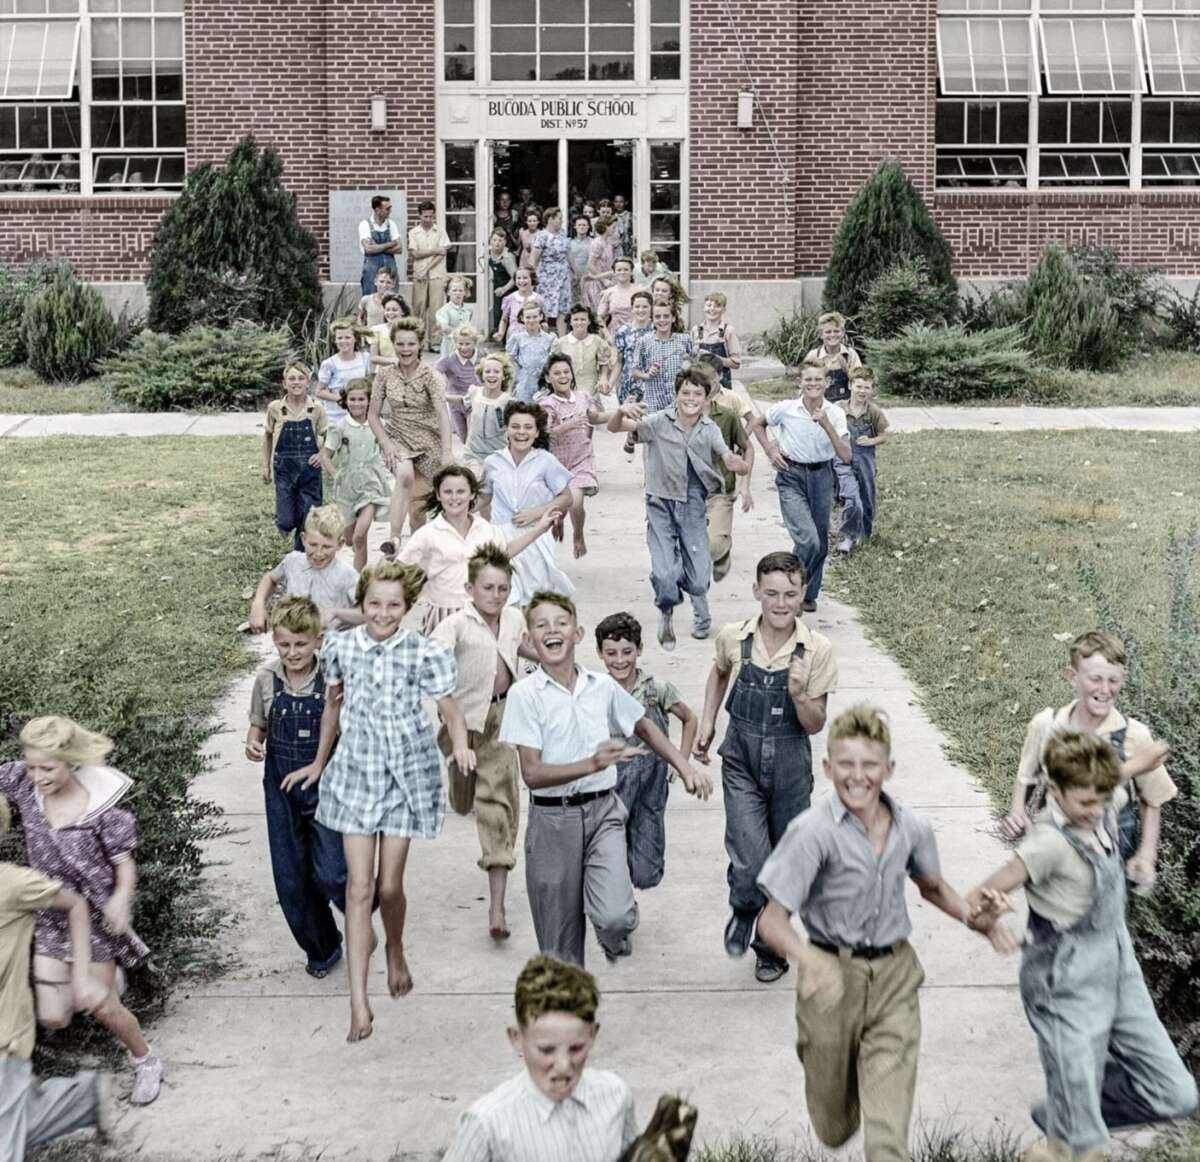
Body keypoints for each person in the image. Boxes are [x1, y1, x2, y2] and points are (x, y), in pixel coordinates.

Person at [755, 705, 1014, 1162]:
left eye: (870, 765)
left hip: (895, 978)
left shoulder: (911, 827)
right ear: (828, 767)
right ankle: (842, 1096)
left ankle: (879, 1113)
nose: (858, 776)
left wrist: (977, 919)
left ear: (888, 768)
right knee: (833, 1127)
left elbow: (933, 887)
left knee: (887, 1140)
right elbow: (771, 921)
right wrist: (808, 959)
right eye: (847, 765)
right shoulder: (811, 832)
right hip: (830, 981)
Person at [968, 730, 1197, 1162]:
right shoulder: (1048, 843)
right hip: (1065, 984)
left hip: (1118, 968)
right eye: (1085, 803)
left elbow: (1109, 784)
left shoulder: (1099, 797)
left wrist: (1142, 763)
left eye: (1102, 798)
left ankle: (1067, 1115)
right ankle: (1074, 1126)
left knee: (1175, 1093)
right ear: (1055, 790)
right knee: (1088, 1147)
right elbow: (978, 898)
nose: (1096, 811)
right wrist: (989, 921)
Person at [286, 561, 471, 1042]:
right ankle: (359, 1005)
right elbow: (332, 707)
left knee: (390, 888)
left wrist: (462, 744)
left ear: (407, 608)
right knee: (358, 890)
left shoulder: (422, 652)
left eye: (393, 605)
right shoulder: (342, 648)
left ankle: (395, 947)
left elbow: (450, 708)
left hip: (407, 775)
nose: (383, 613)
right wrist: (319, 763)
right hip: (355, 774)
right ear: (361, 604)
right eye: (374, 604)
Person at [499, 592, 710, 967]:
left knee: (616, 916)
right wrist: (591, 763)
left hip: (603, 814)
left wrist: (684, 766)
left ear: (577, 634)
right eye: (541, 625)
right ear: (529, 641)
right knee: (559, 949)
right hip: (553, 822)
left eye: (560, 623)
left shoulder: (602, 686)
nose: (552, 630)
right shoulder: (524, 695)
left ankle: (612, 937)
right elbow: (531, 773)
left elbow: (643, 726)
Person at [1, 718, 165, 1105]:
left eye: (48, 768)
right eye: (31, 766)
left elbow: (124, 864)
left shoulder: (101, 810)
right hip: (49, 912)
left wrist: (123, 898)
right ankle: (103, 985)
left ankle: (145, 1060)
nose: (38, 776)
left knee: (101, 1005)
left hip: (93, 917)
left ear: (71, 762)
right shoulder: (24, 785)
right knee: (54, 1015)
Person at [694, 550, 839, 982]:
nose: (780, 603)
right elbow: (719, 674)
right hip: (741, 762)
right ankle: (743, 907)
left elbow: (815, 724)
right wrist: (707, 722)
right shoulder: (734, 638)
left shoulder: (816, 650)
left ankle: (769, 946)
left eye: (790, 594)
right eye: (771, 593)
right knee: (751, 858)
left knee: (785, 863)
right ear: (756, 591)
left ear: (802, 595)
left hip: (792, 766)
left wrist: (798, 696)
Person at [1002, 631, 1175, 882]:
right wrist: (1017, 811)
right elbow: (1025, 777)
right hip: (1053, 852)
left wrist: (1146, 855)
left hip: (1108, 860)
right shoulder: (1047, 725)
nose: (1105, 690)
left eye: (1114, 680)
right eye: (1095, 679)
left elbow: (1153, 800)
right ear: (1073, 677)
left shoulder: (1134, 736)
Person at [0, 794, 112, 1160]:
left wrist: (80, 975)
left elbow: (75, 904)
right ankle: (82, 1099)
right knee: (13, 1129)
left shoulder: (14, 885)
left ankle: (79, 1100)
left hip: (5, 1040)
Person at [442, 955, 637, 1162]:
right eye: (546, 1050)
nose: (563, 1066)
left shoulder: (616, 1096)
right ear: (516, 1038)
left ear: (593, 1034)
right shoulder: (487, 1123)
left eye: (576, 1048)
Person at [607, 367, 749, 649]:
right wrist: (620, 411)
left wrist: (737, 464)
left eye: (697, 393)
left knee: (697, 579)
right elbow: (615, 428)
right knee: (665, 573)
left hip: (694, 505)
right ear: (676, 394)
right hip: (659, 503)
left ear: (706, 397)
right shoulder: (660, 421)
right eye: (686, 392)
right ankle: (666, 608)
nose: (691, 398)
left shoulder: (709, 430)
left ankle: (697, 608)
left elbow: (727, 455)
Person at [244, 597, 348, 979]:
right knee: (291, 878)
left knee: (333, 871)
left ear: (318, 641)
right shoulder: (266, 679)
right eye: (284, 644)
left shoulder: (333, 681)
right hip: (282, 791)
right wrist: (254, 741)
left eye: (301, 644)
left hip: (327, 787)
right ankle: (323, 947)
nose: (292, 652)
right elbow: (259, 724)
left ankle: (355, 909)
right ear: (275, 641)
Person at [431, 545, 527, 941]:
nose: (496, 595)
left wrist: (562, 654)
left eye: (503, 588)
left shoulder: (515, 618)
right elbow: (435, 677)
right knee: (464, 796)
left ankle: (497, 907)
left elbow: (527, 647)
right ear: (469, 589)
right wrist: (457, 738)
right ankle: (460, 785)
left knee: (498, 807)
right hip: (461, 724)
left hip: (502, 722)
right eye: (488, 588)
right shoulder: (454, 626)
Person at [594, 613, 697, 891]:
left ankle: (627, 885)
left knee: (646, 873)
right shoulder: (596, 692)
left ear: (639, 649)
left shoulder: (656, 689)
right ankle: (618, 903)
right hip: (610, 787)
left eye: (627, 652)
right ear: (600, 654)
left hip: (650, 788)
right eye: (611, 653)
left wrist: (681, 762)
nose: (620, 660)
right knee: (609, 853)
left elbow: (689, 719)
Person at [396, 464, 559, 630]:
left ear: (472, 493)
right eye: (447, 492)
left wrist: (540, 528)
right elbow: (400, 570)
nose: (454, 497)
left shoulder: (485, 529)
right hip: (442, 615)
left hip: (480, 613)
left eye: (461, 491)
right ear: (438, 495)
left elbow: (505, 552)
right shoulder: (427, 534)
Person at [747, 359, 851, 612]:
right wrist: (770, 449)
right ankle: (788, 589)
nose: (813, 384)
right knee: (808, 540)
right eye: (808, 379)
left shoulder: (835, 413)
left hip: (822, 476)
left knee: (821, 543)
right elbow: (757, 424)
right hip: (790, 475)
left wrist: (826, 424)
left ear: (827, 383)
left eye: (818, 379)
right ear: (800, 382)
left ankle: (807, 594)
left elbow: (846, 456)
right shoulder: (786, 408)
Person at [368, 317, 453, 556]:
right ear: (393, 344)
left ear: (420, 345)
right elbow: (373, 416)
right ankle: (393, 540)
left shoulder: (430, 376)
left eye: (411, 344)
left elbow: (442, 415)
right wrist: (385, 442)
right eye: (400, 344)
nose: (405, 349)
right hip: (398, 437)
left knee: (418, 509)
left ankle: (417, 555)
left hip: (428, 441)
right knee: (403, 475)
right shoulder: (384, 375)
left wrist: (447, 452)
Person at [479, 401, 575, 606]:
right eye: (515, 426)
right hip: (502, 535)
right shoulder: (492, 462)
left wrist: (537, 512)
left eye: (528, 427)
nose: (521, 432)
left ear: (537, 432)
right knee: (507, 596)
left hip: (536, 535)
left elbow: (567, 498)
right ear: (506, 429)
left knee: (534, 596)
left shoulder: (546, 461)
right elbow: (484, 497)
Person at [248, 504, 361, 633]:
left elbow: (366, 610)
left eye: (326, 547)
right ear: (303, 539)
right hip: (296, 642)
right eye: (313, 544)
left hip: (332, 644)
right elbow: (270, 578)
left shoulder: (347, 575)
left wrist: (337, 614)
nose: (318, 553)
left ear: (340, 544)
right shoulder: (292, 562)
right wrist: (258, 603)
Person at [318, 379, 392, 571]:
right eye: (352, 399)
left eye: (361, 399)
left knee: (361, 536)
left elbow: (388, 449)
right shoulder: (339, 427)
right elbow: (325, 455)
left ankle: (358, 581)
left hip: (372, 484)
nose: (357, 403)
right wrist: (335, 474)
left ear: (369, 401)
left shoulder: (379, 425)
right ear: (345, 401)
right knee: (351, 539)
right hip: (347, 487)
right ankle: (354, 547)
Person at [540, 353, 608, 560]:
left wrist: (621, 413)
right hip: (556, 464)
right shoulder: (547, 404)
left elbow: (594, 418)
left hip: (581, 459)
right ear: (548, 378)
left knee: (576, 502)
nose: (562, 376)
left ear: (572, 374)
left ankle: (578, 534)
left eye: (566, 372)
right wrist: (567, 425)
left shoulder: (583, 397)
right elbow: (543, 434)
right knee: (561, 505)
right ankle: (558, 520)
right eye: (557, 373)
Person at [262, 361, 327, 551]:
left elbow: (328, 436)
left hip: (310, 470)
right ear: (284, 383)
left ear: (308, 382)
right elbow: (267, 436)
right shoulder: (275, 408)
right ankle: (285, 525)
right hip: (284, 470)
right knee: (286, 521)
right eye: (291, 378)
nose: (296, 382)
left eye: (301, 378)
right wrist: (264, 466)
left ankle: (299, 555)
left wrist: (322, 454)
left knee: (308, 518)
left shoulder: (316, 408)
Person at [700, 358, 754, 583]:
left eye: (710, 382)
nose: (706, 387)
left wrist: (745, 485)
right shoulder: (677, 415)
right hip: (687, 490)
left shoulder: (727, 414)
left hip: (721, 487)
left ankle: (721, 550)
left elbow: (747, 448)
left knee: (714, 545)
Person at [838, 366, 889, 552]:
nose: (862, 391)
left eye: (867, 387)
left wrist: (871, 440)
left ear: (872, 389)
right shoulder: (838, 409)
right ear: (850, 385)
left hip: (866, 461)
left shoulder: (874, 412)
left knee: (867, 499)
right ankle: (849, 536)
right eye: (859, 386)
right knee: (852, 498)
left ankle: (865, 534)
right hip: (843, 462)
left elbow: (884, 436)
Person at [631, 302, 694, 415]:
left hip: (678, 402)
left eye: (666, 316)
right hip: (654, 403)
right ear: (652, 319)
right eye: (657, 317)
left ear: (673, 318)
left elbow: (694, 365)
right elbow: (634, 371)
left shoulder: (684, 339)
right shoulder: (644, 341)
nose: (662, 320)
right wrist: (647, 374)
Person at [408, 200, 451, 353]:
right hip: (419, 275)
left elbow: (443, 253)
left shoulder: (440, 231)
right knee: (418, 309)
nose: (428, 220)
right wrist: (435, 250)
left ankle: (435, 342)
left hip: (436, 274)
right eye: (425, 216)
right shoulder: (413, 232)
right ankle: (418, 341)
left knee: (436, 310)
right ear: (420, 215)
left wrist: (428, 267)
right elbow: (415, 253)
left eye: (431, 217)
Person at [463, 353, 514, 477]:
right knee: (477, 480)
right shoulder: (474, 393)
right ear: (482, 375)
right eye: (487, 371)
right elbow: (466, 410)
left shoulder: (508, 402)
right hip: (473, 455)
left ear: (503, 376)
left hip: (498, 455)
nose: (491, 375)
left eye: (496, 371)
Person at [317, 319, 372, 423]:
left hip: (360, 414)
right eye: (340, 338)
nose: (343, 341)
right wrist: (342, 399)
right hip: (337, 415)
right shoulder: (329, 364)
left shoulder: (365, 358)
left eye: (347, 337)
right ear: (335, 340)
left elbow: (369, 384)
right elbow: (319, 391)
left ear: (355, 339)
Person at [552, 304, 613, 397]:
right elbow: (553, 367)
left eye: (583, 319)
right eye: (576, 319)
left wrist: (603, 377)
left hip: (591, 391)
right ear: (570, 322)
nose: (579, 323)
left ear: (589, 321)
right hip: (568, 391)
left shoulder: (597, 341)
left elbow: (603, 362)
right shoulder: (560, 343)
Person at [804, 311, 862, 404]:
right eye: (828, 332)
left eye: (836, 331)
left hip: (846, 405)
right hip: (821, 405)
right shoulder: (814, 355)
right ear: (821, 334)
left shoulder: (850, 354)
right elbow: (805, 384)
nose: (832, 335)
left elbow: (860, 383)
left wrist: (846, 369)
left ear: (842, 333)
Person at [436, 322, 480, 443]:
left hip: (475, 401)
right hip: (456, 401)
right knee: (463, 434)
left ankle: (474, 457)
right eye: (460, 343)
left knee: (474, 434)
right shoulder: (449, 359)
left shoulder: (482, 356)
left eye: (467, 344)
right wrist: (441, 384)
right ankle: (467, 457)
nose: (463, 347)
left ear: (475, 343)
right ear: (455, 343)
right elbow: (434, 373)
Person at [506, 300, 555, 405]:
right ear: (522, 318)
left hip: (543, 382)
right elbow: (511, 361)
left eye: (535, 317)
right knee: (524, 410)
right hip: (524, 381)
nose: (531, 320)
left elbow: (552, 363)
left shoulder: (549, 339)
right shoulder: (517, 338)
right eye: (528, 317)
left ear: (541, 317)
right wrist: (514, 382)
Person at [532, 208, 572, 335]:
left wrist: (575, 271)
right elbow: (534, 259)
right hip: (548, 277)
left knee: (563, 308)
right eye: (559, 218)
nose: (561, 221)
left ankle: (562, 338)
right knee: (546, 308)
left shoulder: (562, 233)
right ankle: (543, 336)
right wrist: (532, 278)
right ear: (550, 219)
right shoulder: (542, 236)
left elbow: (568, 254)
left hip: (563, 275)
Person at [690, 293, 741, 391]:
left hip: (721, 384)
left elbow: (736, 363)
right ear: (704, 308)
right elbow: (690, 358)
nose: (712, 309)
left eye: (717, 306)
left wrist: (714, 358)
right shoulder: (696, 330)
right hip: (700, 382)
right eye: (709, 305)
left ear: (724, 310)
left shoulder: (728, 331)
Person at [611, 290, 654, 404]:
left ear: (651, 308)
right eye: (637, 306)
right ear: (632, 309)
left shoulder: (657, 330)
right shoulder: (623, 331)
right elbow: (620, 362)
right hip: (629, 385)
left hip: (652, 385)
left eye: (645, 306)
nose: (641, 310)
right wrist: (610, 383)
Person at [358, 194, 401, 297]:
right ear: (377, 210)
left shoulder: (391, 224)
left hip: (390, 270)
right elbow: (368, 249)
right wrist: (390, 244)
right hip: (372, 271)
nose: (390, 211)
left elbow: (399, 248)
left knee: (392, 298)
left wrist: (377, 247)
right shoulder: (365, 224)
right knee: (370, 298)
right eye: (387, 209)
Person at [495, 265, 543, 345]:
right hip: (514, 336)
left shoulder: (539, 299)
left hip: (533, 337)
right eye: (518, 278)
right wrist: (500, 333)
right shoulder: (510, 299)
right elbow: (504, 320)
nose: (521, 281)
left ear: (532, 279)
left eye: (525, 278)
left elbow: (543, 320)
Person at [486, 228, 517, 339]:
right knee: (496, 312)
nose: (497, 243)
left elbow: (515, 277)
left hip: (506, 288)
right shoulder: (487, 254)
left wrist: (504, 289)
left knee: (505, 314)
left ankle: (505, 339)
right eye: (494, 240)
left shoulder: (507, 257)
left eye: (500, 240)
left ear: (504, 242)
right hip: (494, 287)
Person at [367, 293, 411, 370]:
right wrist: (394, 361)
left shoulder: (410, 330)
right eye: (387, 310)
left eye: (394, 310)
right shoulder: (377, 330)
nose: (390, 313)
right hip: (384, 371)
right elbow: (373, 357)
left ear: (403, 312)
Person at [435, 275, 474, 359]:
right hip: (450, 345)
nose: (457, 293)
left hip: (464, 346)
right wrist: (459, 334)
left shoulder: (468, 310)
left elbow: (468, 325)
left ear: (465, 292)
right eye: (454, 290)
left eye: (460, 290)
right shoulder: (445, 310)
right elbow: (444, 327)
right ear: (448, 292)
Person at [597, 256, 638, 335]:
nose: (622, 272)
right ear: (614, 272)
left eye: (626, 269)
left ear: (631, 271)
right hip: (614, 334)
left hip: (636, 334)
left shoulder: (639, 291)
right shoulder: (608, 293)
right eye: (619, 270)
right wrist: (607, 335)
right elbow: (600, 317)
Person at [581, 217, 614, 316]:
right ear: (606, 227)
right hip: (597, 282)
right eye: (612, 227)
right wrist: (603, 280)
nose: (614, 229)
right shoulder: (597, 243)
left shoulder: (608, 244)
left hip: (606, 282)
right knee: (598, 313)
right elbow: (590, 265)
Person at [357, 265, 397, 330]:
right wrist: (362, 331)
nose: (384, 285)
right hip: (371, 337)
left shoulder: (397, 301)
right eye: (381, 281)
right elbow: (360, 318)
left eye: (388, 282)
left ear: (393, 284)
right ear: (375, 281)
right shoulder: (366, 300)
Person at [568, 215, 593, 304]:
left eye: (584, 225)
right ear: (575, 226)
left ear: (588, 226)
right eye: (579, 225)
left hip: (589, 279)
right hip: (573, 278)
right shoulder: (569, 243)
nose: (582, 227)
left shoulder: (593, 242)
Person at [493, 189, 521, 255]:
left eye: (507, 200)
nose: (505, 202)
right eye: (502, 200)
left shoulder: (514, 213)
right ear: (497, 201)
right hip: (498, 249)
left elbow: (519, 233)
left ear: (510, 201)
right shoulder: (493, 215)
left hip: (511, 250)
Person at [610, 192, 633, 260]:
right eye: (616, 202)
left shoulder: (630, 216)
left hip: (628, 246)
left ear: (626, 202)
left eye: (621, 202)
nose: (618, 204)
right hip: (616, 246)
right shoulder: (612, 217)